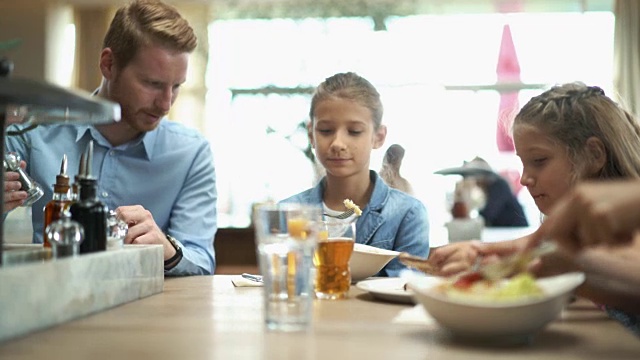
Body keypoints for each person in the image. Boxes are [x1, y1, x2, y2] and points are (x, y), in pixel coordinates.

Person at [3, 0, 217, 276]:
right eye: (152, 84)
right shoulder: (29, 133)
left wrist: (167, 247)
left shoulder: (191, 154)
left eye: (176, 87)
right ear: (108, 64)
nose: (166, 104)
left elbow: (201, 261)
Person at [430, 82, 640, 334]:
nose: (524, 178)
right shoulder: (572, 235)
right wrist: (482, 256)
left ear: (594, 154)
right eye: (523, 163)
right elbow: (537, 250)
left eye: (539, 161)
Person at [280, 72, 430, 277]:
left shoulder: (407, 214)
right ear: (311, 135)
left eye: (354, 131)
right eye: (325, 130)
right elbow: (286, 284)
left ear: (378, 137)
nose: (337, 144)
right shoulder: (288, 213)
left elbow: (405, 289)